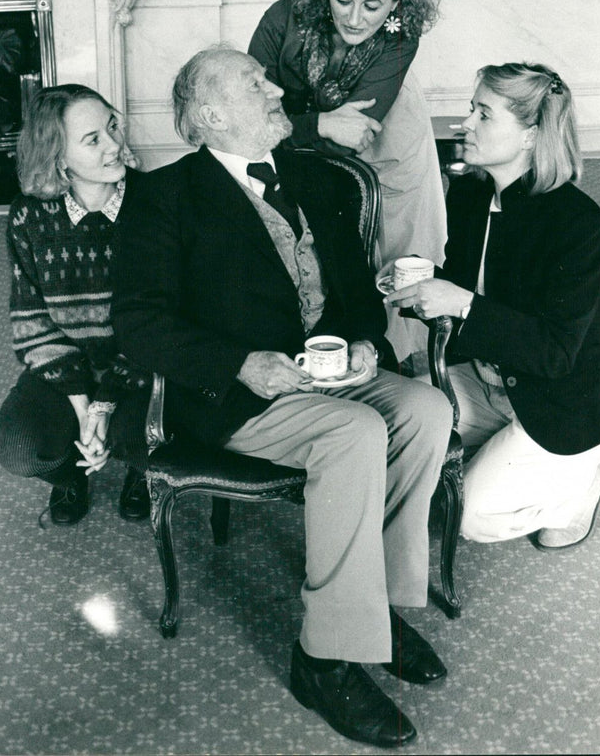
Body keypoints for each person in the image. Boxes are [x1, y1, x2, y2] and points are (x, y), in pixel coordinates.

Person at [111, 46, 453, 749]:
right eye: (254, 83)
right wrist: (241, 364)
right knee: (354, 434)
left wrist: (363, 342)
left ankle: (379, 617)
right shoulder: (163, 197)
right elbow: (139, 325)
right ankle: (324, 660)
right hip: (237, 397)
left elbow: (357, 295)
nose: (274, 89)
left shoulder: (311, 177)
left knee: (427, 411)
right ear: (209, 115)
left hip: (325, 378)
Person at [383, 62, 600, 548]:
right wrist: (420, 282)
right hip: (491, 379)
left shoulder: (578, 224)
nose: (466, 123)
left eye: (484, 114)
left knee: (471, 518)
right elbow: (465, 291)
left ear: (530, 135)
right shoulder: (472, 192)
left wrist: (460, 302)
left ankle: (582, 485)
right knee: (399, 422)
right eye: (471, 109)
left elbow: (554, 353)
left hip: (569, 400)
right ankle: (520, 461)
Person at [248, 0, 445, 362]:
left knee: (397, 243)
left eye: (372, 5)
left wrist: (303, 127)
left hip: (391, 131)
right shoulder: (285, 13)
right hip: (309, 130)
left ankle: (394, 354)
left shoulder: (400, 37)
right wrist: (318, 124)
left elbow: (350, 141)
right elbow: (251, 113)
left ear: (397, 3)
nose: (354, 18)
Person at [0, 84, 151, 527]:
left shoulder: (155, 202)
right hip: (66, 366)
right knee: (17, 449)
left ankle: (142, 475)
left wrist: (106, 403)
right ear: (59, 157)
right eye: (93, 139)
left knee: (140, 439)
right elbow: (30, 321)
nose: (115, 146)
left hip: (144, 365)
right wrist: (82, 405)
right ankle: (71, 476)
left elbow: (165, 322)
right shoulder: (28, 215)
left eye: (112, 127)